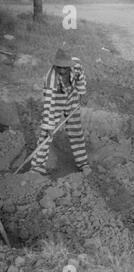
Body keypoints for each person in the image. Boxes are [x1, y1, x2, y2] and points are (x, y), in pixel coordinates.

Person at [30, 48, 90, 176]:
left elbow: (80, 78)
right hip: (57, 97)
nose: (62, 70)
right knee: (46, 134)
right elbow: (49, 105)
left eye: (65, 68)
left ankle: (83, 163)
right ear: (55, 65)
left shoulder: (76, 65)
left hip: (72, 95)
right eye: (59, 67)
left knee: (75, 130)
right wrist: (49, 125)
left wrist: (82, 93)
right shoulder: (50, 80)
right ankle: (37, 167)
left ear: (69, 65)